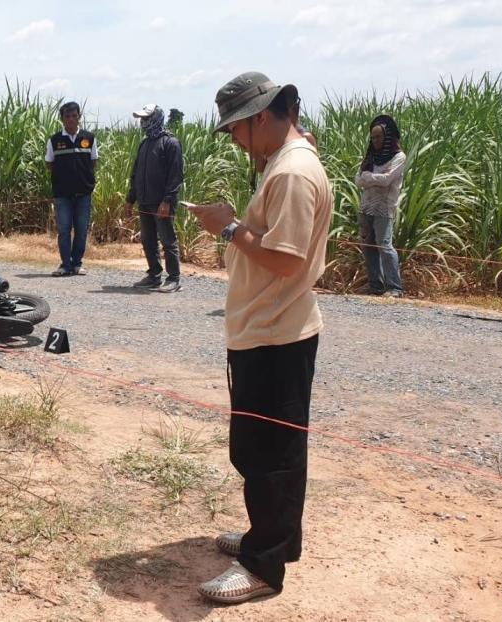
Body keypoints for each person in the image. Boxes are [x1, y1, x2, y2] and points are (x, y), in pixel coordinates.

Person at [187, 71, 333, 605]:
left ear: (261, 118)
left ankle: (263, 565)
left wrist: (228, 228)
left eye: (234, 130)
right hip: (271, 327)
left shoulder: (291, 172)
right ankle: (271, 537)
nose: (233, 141)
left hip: (276, 333)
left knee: (269, 455)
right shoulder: (286, 162)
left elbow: (286, 258)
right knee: (268, 449)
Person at [124, 104, 184, 292]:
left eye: (146, 118)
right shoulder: (145, 144)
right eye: (142, 119)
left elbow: (175, 175)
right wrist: (130, 199)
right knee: (148, 240)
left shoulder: (170, 143)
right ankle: (154, 275)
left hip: (162, 203)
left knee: (167, 240)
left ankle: (174, 278)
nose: (143, 122)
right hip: (144, 200)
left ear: (156, 118)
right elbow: (136, 173)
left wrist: (167, 201)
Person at [44, 101, 98, 276]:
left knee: (81, 230)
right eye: (67, 116)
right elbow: (49, 164)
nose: (71, 119)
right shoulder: (54, 140)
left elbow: (93, 162)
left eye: (74, 116)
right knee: (64, 230)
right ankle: (65, 265)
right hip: (62, 194)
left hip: (84, 193)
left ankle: (77, 264)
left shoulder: (89, 138)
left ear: (79, 117)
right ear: (62, 119)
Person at [356, 115, 406, 296]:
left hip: (384, 208)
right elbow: (358, 180)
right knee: (368, 246)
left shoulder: (398, 157)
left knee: (385, 246)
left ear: (387, 137)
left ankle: (395, 287)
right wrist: (372, 179)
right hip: (366, 206)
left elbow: (387, 180)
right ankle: (375, 285)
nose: (375, 141)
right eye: (373, 137)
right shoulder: (370, 157)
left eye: (378, 137)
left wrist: (369, 178)